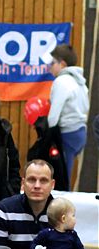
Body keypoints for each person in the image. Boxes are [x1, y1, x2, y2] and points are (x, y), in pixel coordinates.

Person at [47, 44, 90, 185]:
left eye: (52, 63)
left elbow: (53, 116)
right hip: (80, 132)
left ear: (63, 64)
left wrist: (48, 134)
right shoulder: (80, 83)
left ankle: (60, 207)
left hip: (67, 135)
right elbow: (86, 107)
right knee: (64, 175)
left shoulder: (61, 81)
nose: (50, 67)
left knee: (61, 180)